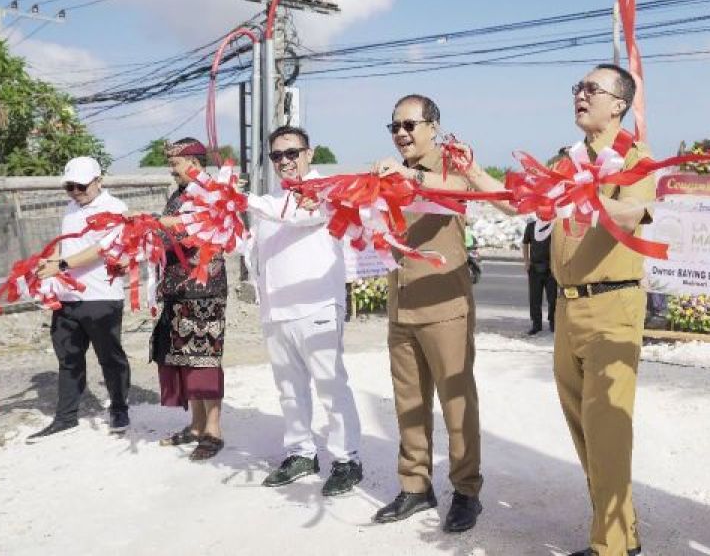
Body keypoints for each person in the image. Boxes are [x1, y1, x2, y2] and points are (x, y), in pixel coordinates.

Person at [464, 64, 653, 556]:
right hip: (567, 310)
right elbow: (517, 202)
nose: (580, 95)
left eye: (593, 89)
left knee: (608, 430)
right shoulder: (566, 161)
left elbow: (631, 213)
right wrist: (471, 171)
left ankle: (609, 547)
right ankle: (623, 533)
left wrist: (590, 195)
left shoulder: (636, 157)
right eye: (578, 88)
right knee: (585, 430)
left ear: (619, 103)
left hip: (613, 304)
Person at [370, 94, 484, 534]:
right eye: (394, 126)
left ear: (433, 125)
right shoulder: (388, 174)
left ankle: (467, 490)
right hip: (402, 301)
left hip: (444, 306)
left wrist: (409, 175)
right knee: (409, 404)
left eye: (409, 125)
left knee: (457, 405)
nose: (401, 133)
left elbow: (460, 190)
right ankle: (415, 485)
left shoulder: (452, 164)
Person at [248, 125, 364, 496]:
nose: (285, 161)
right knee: (289, 390)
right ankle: (301, 452)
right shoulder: (269, 203)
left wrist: (236, 198)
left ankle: (347, 460)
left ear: (309, 153)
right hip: (277, 311)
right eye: (277, 155)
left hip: (316, 305)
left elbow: (297, 215)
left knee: (331, 386)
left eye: (292, 152)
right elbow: (255, 253)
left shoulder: (324, 192)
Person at [29, 156, 132, 442]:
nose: (75, 192)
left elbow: (102, 248)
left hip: (101, 295)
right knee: (68, 357)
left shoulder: (115, 208)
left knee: (109, 357)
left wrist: (60, 265)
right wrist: (47, 261)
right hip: (68, 295)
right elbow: (66, 244)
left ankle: (119, 408)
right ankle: (66, 417)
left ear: (99, 181)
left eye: (81, 186)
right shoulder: (71, 208)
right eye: (70, 187)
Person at [151, 138, 228, 460]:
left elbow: (193, 230)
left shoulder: (211, 194)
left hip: (204, 291)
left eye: (175, 164)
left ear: (193, 164)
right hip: (177, 289)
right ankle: (196, 425)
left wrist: (156, 224)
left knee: (203, 361)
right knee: (184, 360)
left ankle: (213, 430)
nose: (172, 171)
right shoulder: (180, 194)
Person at [521, 218, 557, 335]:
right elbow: (525, 243)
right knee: (535, 298)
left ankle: (553, 322)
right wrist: (526, 261)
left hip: (550, 269)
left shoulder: (554, 225)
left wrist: (555, 265)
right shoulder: (531, 226)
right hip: (534, 268)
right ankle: (536, 324)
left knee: (553, 298)